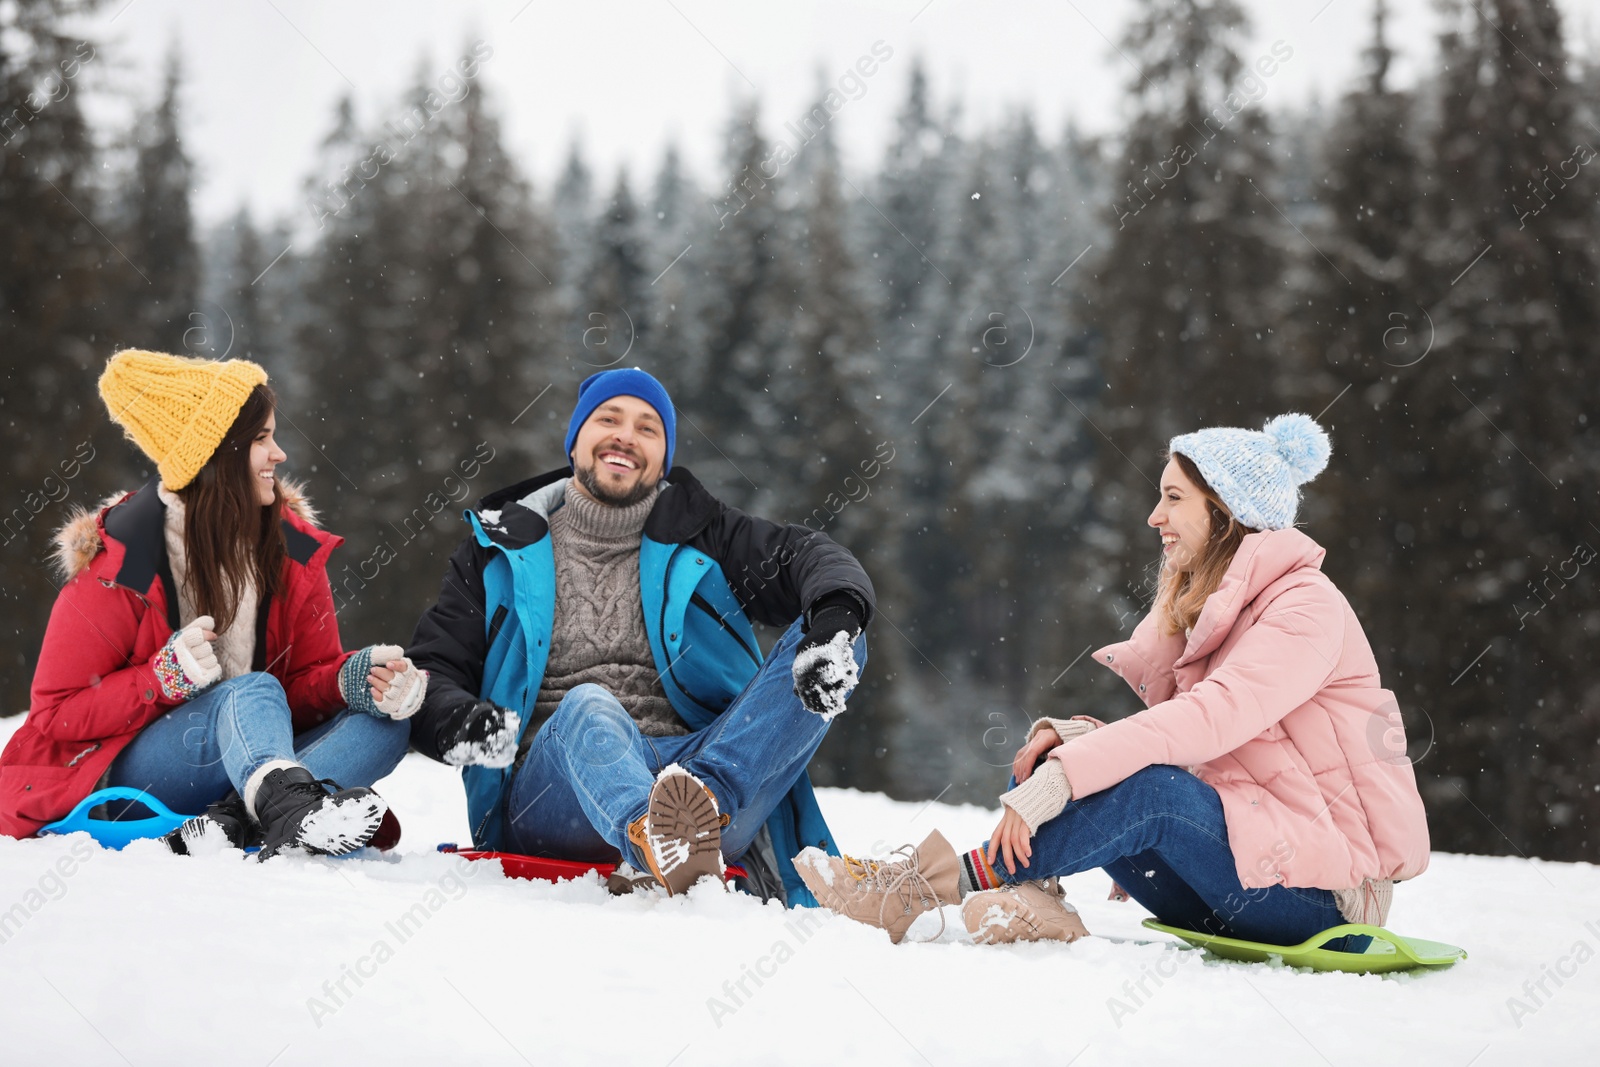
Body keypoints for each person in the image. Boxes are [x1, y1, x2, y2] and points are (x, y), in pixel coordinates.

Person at [797, 414, 1431, 947]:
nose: (1155, 516)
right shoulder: (1224, 613)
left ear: (1228, 512)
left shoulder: (1305, 608)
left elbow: (1207, 723)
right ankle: (1033, 898)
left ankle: (917, 890)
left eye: (1174, 498)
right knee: (1052, 753)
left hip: (1330, 899)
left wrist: (1079, 778)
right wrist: (1072, 755)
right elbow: (1222, 764)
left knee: (1144, 790)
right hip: (1247, 872)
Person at [403, 367, 874, 903]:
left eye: (648, 428)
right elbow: (433, 671)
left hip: (700, 771)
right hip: (555, 793)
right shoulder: (496, 550)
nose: (626, 435)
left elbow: (807, 555)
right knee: (587, 707)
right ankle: (653, 835)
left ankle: (700, 811)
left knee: (837, 638)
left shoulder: (705, 534)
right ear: (576, 438)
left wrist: (835, 618)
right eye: (609, 418)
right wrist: (464, 722)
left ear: (663, 457)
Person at [0, 350, 421, 857]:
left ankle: (235, 823)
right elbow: (55, 717)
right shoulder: (121, 564)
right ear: (216, 455)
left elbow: (299, 686)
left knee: (387, 725)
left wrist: (346, 680)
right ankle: (283, 810)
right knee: (249, 692)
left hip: (254, 757)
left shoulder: (293, 552)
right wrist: (158, 682)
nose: (279, 455)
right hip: (147, 773)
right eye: (262, 440)